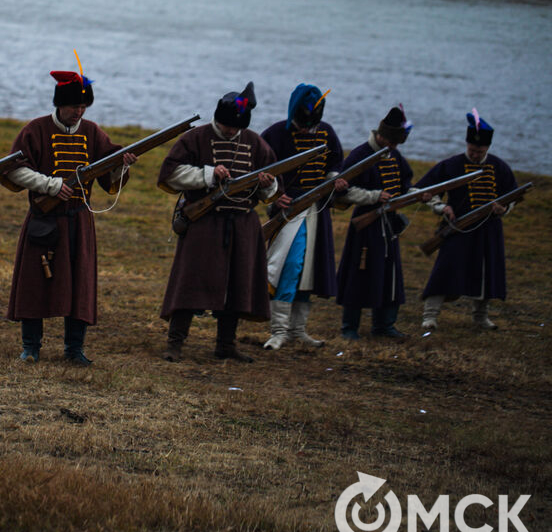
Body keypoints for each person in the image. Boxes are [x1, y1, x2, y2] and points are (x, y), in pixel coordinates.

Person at [3, 70, 135, 366]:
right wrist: (50, 185)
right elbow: (15, 170)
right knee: (34, 284)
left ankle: (74, 349)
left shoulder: (92, 131)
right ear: (60, 104)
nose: (80, 112)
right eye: (75, 106)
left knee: (80, 285)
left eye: (83, 107)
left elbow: (109, 174)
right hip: (44, 219)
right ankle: (30, 347)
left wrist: (122, 165)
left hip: (79, 220)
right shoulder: (35, 130)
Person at [158, 82, 277, 363]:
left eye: (235, 128)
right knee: (190, 283)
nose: (231, 132)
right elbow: (171, 175)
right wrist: (208, 174)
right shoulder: (195, 138)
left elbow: (270, 189)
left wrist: (267, 185)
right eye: (227, 127)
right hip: (204, 222)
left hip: (242, 224)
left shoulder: (255, 143)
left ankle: (226, 345)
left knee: (237, 285)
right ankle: (175, 343)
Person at [260, 83, 346, 350]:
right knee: (290, 267)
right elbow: (260, 172)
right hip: (290, 213)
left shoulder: (326, 132)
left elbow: (335, 163)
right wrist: (275, 196)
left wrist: (335, 181)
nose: (306, 128)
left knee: (310, 272)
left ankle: (298, 330)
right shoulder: (275, 134)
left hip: (317, 212)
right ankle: (279, 331)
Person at [417, 110, 518, 331]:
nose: (474, 154)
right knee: (445, 270)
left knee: (486, 274)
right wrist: (442, 207)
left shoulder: (499, 167)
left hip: (488, 229)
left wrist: (503, 208)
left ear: (487, 148)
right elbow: (424, 190)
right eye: (472, 150)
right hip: (457, 227)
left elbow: (513, 197)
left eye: (479, 151)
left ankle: (480, 317)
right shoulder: (452, 165)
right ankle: (430, 315)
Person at [335, 106, 420, 340]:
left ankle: (384, 324)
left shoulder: (393, 154)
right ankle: (349, 327)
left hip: (388, 224)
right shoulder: (361, 154)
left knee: (390, 273)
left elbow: (404, 184)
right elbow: (342, 191)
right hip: (367, 224)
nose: (393, 147)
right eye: (391, 141)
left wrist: (419, 194)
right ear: (381, 135)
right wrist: (374, 196)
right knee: (358, 274)